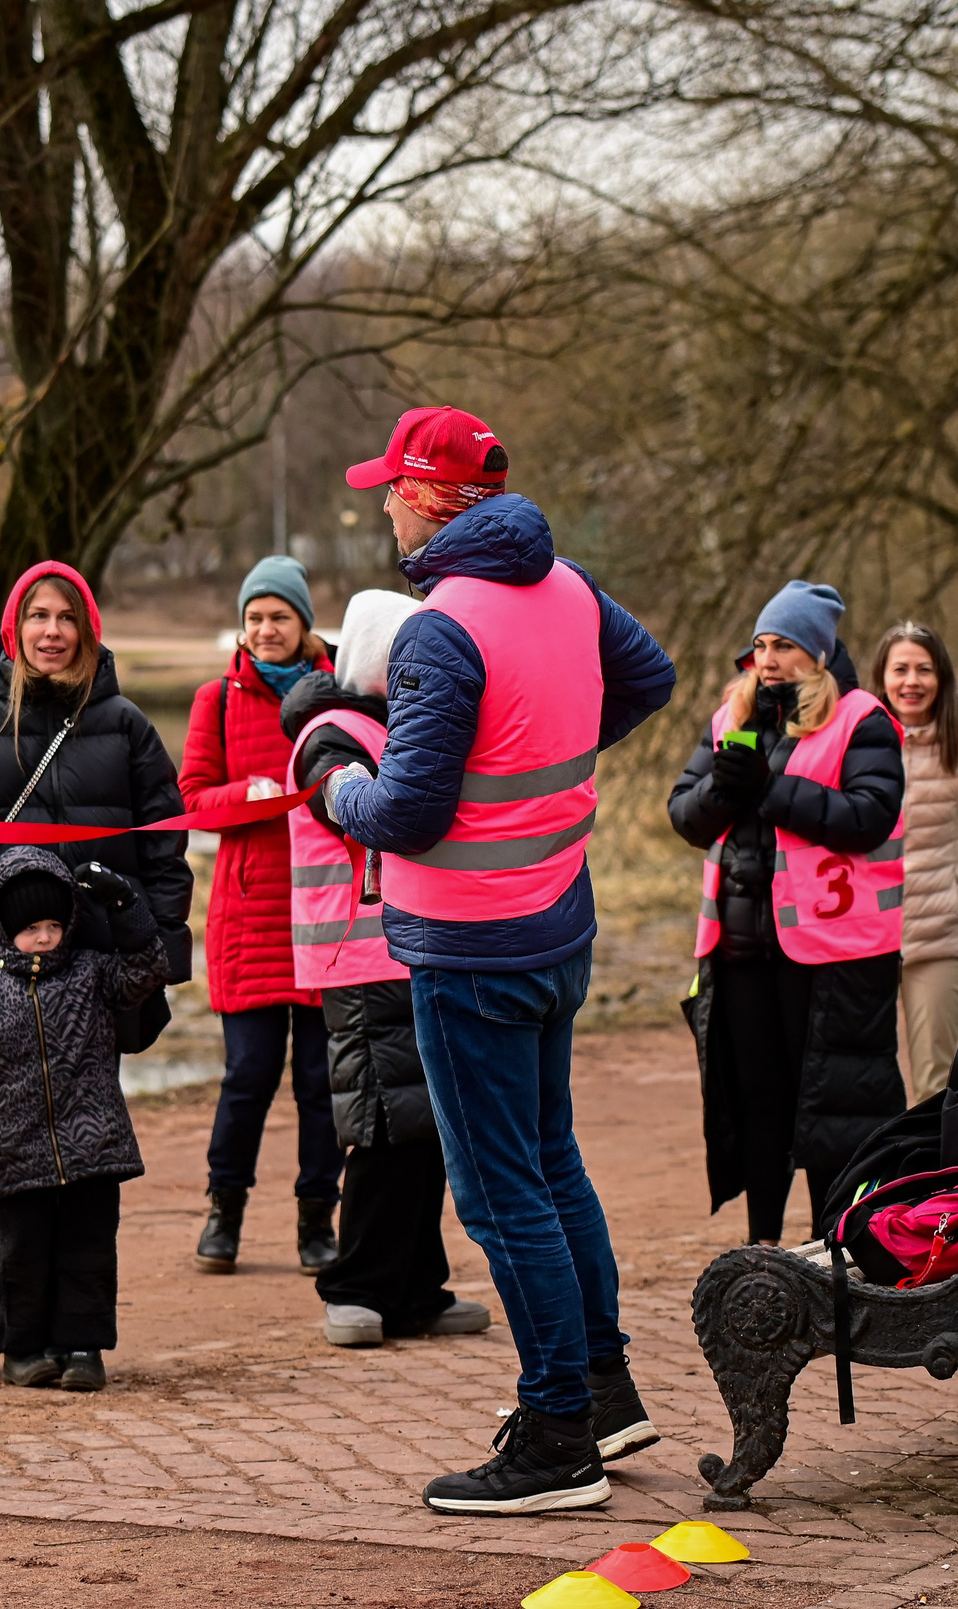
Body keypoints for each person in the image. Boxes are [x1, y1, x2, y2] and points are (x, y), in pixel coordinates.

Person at [318, 405, 676, 1516]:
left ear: (428, 497)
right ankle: (602, 1391)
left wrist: (324, 763)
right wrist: (549, 746)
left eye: (391, 486)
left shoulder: (439, 627)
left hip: (470, 942)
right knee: (551, 1162)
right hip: (554, 920)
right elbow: (649, 676)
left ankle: (557, 1432)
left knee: (499, 1189)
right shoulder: (564, 585)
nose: (381, 501)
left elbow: (408, 812)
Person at [0, 562, 195, 1377]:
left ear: (88, 629)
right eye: (38, 616)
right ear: (13, 627)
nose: (51, 631)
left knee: (80, 1155)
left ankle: (69, 1331)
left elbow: (168, 852)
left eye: (66, 617)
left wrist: (161, 961)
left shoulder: (128, 727)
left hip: (92, 974)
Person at [281, 588, 492, 1349]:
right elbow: (361, 811)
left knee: (425, 1120)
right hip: (359, 950)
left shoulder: (385, 726)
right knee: (378, 1117)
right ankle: (355, 1283)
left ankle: (415, 1286)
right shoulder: (331, 735)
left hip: (410, 945)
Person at [667, 583, 908, 1248]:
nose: (768, 659)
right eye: (763, 645)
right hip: (740, 947)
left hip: (828, 951)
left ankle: (833, 1247)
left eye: (785, 646)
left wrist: (770, 791)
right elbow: (684, 814)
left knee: (825, 1107)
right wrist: (724, 786)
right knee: (759, 1102)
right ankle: (764, 1248)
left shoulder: (863, 719)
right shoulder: (731, 716)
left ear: (820, 655)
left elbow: (868, 817)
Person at [0, 850, 168, 1390]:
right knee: (21, 1258)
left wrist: (126, 904)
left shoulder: (92, 974)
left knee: (88, 1253)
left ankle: (83, 1348)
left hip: (94, 1149)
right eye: (31, 928)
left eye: (54, 925)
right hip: (16, 1153)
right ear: (4, 928)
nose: (44, 938)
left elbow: (150, 967)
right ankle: (23, 1349)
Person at [180, 555, 342, 1276]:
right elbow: (190, 800)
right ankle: (225, 1211)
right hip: (247, 916)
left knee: (320, 1081)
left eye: (278, 616)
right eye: (253, 618)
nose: (264, 629)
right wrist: (245, 795)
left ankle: (317, 1219)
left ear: (303, 622)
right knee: (246, 1075)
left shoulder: (338, 693)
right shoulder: (215, 701)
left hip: (322, 912)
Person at [873, 621, 958, 1101]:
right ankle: (877, 1177)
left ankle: (933, 1178)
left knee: (933, 1085)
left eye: (924, 669)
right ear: (881, 678)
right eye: (900, 669)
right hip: (867, 940)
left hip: (939, 938)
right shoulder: (857, 746)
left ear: (941, 677)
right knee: (868, 1085)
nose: (911, 681)